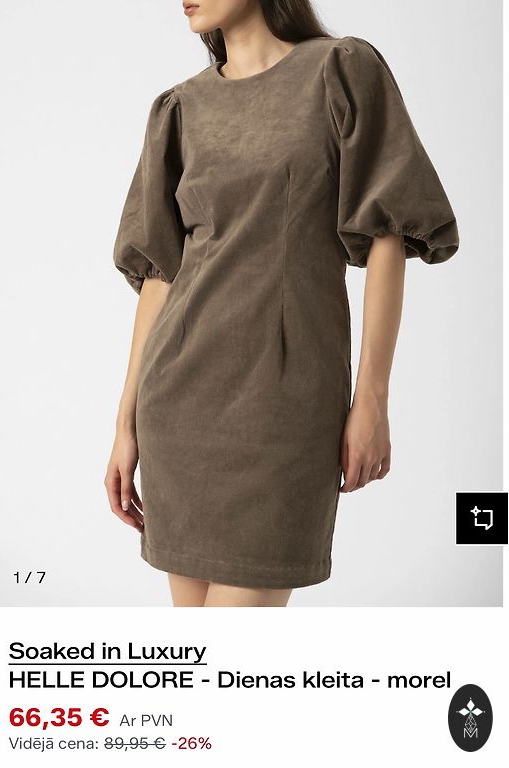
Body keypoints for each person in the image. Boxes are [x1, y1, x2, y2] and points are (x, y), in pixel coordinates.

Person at [104, 0, 459, 608]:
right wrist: (124, 424)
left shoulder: (340, 70)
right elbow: (161, 274)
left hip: (286, 406)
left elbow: (387, 234)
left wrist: (372, 398)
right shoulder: (179, 108)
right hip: (180, 407)